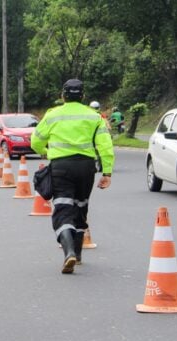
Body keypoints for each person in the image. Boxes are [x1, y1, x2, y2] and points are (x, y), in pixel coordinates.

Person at [30, 79, 114, 274]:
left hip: (61, 167)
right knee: (81, 206)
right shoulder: (94, 116)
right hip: (86, 168)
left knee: (62, 208)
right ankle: (77, 252)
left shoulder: (52, 115)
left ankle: (69, 253)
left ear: (63, 96)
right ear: (83, 96)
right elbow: (105, 146)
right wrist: (107, 172)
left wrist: (45, 151)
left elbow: (35, 141)